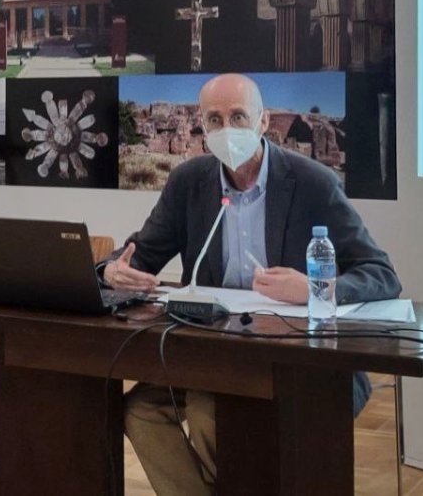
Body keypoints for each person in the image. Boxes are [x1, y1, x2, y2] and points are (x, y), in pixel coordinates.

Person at [102, 73, 401, 496]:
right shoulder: (189, 182)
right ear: (201, 126)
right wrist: (110, 271)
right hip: (208, 352)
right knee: (140, 410)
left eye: (238, 116)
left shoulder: (313, 182)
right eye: (215, 119)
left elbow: (381, 273)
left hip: (292, 360)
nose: (227, 129)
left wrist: (314, 289)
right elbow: (141, 253)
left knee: (208, 412)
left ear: (263, 122)